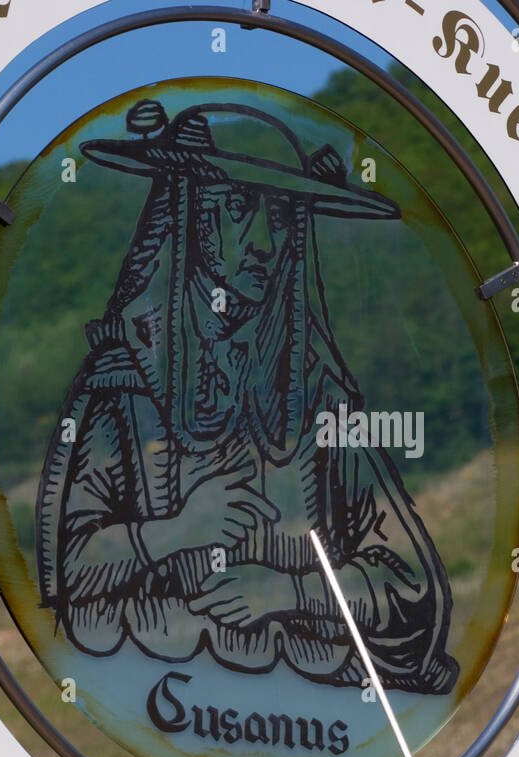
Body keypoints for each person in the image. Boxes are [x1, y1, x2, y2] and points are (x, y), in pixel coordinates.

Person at [35, 99, 457, 694]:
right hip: (164, 698)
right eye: (238, 207)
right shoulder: (123, 383)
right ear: (191, 218)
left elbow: (415, 590)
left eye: (282, 216)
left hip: (314, 717)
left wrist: (288, 592)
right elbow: (67, 571)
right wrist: (178, 529)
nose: (263, 239)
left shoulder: (318, 397)